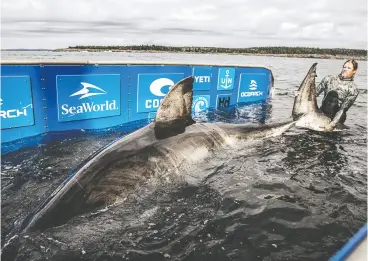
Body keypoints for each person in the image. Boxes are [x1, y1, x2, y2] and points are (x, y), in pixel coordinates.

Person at [316, 59, 359, 131]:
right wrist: (299, 94)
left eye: (348, 68)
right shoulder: (329, 79)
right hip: (321, 114)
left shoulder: (353, 89)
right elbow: (314, 94)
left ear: (354, 71)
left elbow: (342, 109)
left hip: (337, 121)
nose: (345, 69)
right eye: (344, 67)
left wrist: (332, 124)